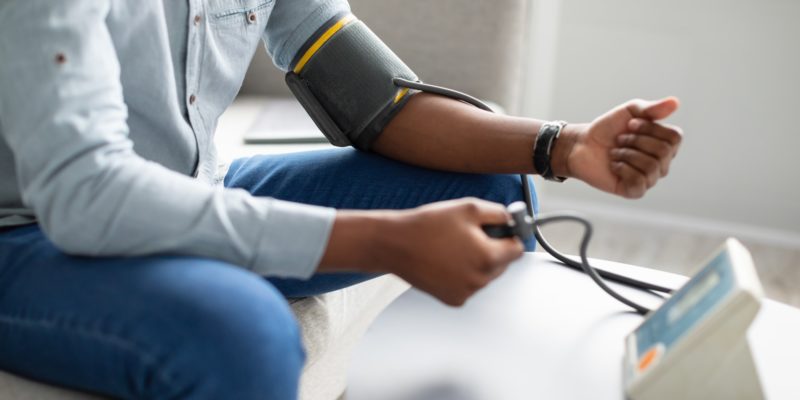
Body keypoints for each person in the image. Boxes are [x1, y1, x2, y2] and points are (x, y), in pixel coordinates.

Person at [0, 0, 682, 398]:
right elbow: (87, 197)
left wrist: (566, 146)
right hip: (31, 232)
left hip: (190, 186)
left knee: (495, 189)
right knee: (248, 330)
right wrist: (387, 242)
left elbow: (376, 102)